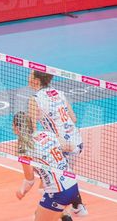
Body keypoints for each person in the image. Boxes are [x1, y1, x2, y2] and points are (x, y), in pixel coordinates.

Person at [27, 71, 88, 216]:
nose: (28, 78)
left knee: (51, 186)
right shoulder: (59, 93)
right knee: (64, 178)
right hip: (77, 142)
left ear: (36, 80)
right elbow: (73, 118)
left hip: (62, 146)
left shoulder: (34, 99)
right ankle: (78, 206)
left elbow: (32, 129)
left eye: (30, 75)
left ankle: (67, 211)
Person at [13, 111, 83, 220]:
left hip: (59, 192)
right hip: (73, 185)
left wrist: (22, 191)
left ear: (17, 128)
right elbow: (70, 148)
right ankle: (76, 208)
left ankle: (75, 209)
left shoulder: (24, 149)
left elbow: (29, 180)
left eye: (13, 125)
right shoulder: (47, 134)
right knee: (42, 213)